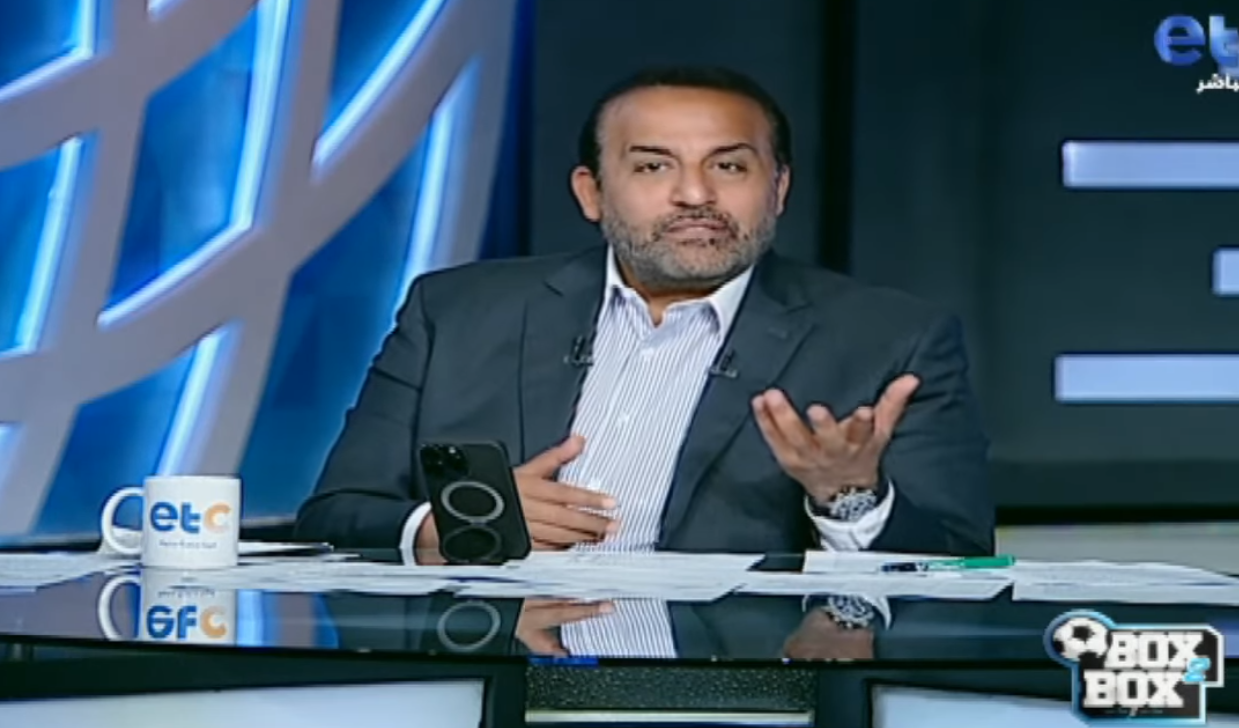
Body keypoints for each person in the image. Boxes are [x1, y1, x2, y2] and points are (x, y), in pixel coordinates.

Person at [294, 65, 994, 557]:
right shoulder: (453, 312)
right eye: (653, 166)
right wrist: (451, 525)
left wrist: (849, 498)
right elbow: (335, 516)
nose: (695, 195)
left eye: (729, 166)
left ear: (778, 188)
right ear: (591, 193)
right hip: (493, 670)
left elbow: (958, 560)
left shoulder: (890, 340)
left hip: (733, 689)